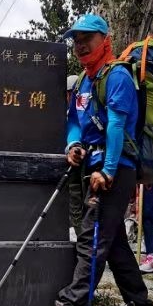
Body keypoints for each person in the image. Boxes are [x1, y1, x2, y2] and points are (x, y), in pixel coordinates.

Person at [30, 14, 153, 306]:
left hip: (115, 169)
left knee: (92, 237)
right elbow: (73, 119)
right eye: (76, 40)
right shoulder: (85, 81)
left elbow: (116, 124)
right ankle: (140, 305)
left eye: (87, 38)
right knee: (112, 243)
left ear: (105, 40)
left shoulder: (118, 76)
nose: (80, 45)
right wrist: (73, 143)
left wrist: (109, 170)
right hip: (93, 168)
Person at [66, 74, 86, 239]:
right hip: (71, 166)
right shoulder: (68, 114)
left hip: (84, 164)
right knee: (75, 203)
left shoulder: (84, 112)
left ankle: (82, 237)